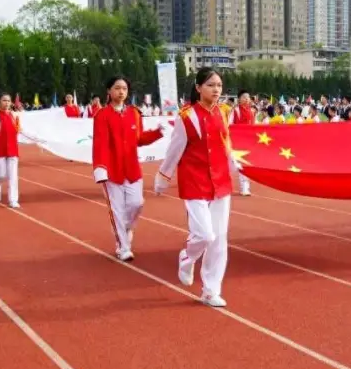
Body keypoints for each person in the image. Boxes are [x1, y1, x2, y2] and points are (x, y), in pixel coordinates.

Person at [155, 69, 235, 308]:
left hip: (220, 181)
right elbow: (175, 149)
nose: (216, 89)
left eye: (219, 85)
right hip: (195, 181)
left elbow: (227, 143)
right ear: (198, 88)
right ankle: (187, 257)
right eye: (210, 85)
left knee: (219, 239)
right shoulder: (187, 116)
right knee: (205, 235)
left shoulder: (225, 112)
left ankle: (210, 290)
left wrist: (237, 165)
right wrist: (163, 176)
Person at [92, 74, 167, 261]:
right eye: (117, 88)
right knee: (116, 209)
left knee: (137, 203)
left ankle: (126, 228)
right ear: (109, 91)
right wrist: (100, 167)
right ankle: (122, 247)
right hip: (112, 170)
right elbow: (100, 143)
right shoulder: (102, 115)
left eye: (124, 89)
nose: (121, 92)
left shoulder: (134, 113)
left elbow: (139, 139)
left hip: (132, 168)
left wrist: (158, 132)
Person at [0, 94, 21, 207]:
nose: (7, 103)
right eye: (4, 100)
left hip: (12, 149)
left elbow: (19, 131)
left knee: (13, 176)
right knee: (1, 175)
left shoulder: (14, 116)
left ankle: (13, 200)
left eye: (8, 101)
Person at [227, 90, 256, 196]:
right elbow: (229, 125)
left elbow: (254, 126)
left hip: (248, 142)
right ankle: (224, 185)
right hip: (236, 142)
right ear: (239, 99)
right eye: (244, 97)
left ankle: (245, 188)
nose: (247, 99)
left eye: (248, 97)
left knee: (245, 165)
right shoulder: (235, 111)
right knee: (232, 165)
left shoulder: (252, 111)